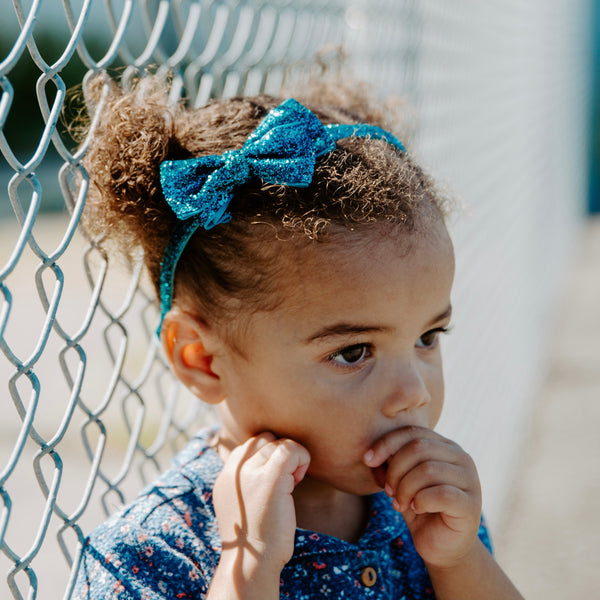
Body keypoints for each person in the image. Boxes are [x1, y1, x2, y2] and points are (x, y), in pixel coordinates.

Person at [72, 74, 523, 600]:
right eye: (353, 352)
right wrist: (249, 565)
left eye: (428, 336)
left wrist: (460, 558)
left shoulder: (425, 503)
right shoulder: (153, 553)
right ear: (203, 360)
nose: (415, 393)